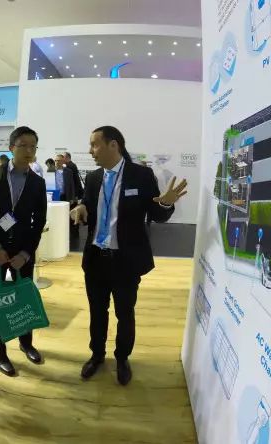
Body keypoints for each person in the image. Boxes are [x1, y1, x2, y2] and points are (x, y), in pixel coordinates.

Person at [70, 126, 188, 386]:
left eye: (94, 145)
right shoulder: (93, 177)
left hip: (125, 260)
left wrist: (166, 202)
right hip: (96, 258)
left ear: (114, 145)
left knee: (125, 313)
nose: (90, 151)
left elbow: (156, 215)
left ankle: (122, 358)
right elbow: (88, 202)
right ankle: (97, 355)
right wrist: (80, 207)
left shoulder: (141, 175)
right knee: (97, 311)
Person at [0, 126, 47, 377]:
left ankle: (26, 343)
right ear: (11, 148)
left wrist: (26, 253)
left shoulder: (37, 182)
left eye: (33, 146)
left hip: (21, 252)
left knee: (23, 295)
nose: (29, 151)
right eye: (23, 145)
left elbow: (39, 221)